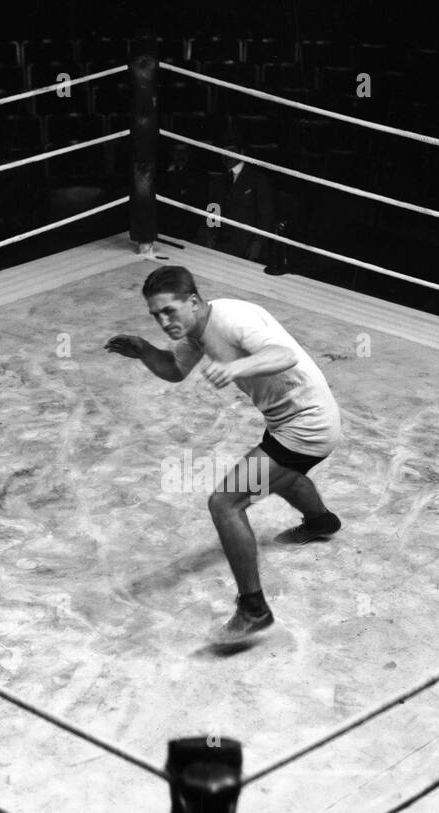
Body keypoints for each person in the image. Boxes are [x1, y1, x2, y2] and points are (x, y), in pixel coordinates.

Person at [105, 266, 343, 646]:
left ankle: (254, 609)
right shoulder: (196, 331)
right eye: (156, 315)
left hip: (308, 425)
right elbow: (174, 370)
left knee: (225, 502)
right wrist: (144, 351)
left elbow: (282, 354)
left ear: (194, 301)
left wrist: (236, 366)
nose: (164, 322)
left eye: (170, 311)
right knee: (280, 474)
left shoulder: (233, 318)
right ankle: (321, 521)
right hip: (286, 421)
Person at [206, 135, 276, 262]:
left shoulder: (257, 179)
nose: (226, 155)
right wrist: (210, 234)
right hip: (221, 244)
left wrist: (257, 243)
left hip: (247, 244)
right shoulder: (218, 181)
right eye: (223, 152)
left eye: (231, 151)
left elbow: (266, 215)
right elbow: (213, 209)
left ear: (242, 153)